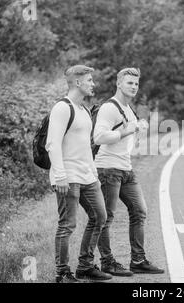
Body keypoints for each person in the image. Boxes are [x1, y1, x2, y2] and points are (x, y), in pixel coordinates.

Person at [93, 67, 164, 276]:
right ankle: (107, 262)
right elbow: (99, 137)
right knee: (106, 217)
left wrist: (139, 128)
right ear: (118, 84)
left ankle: (138, 260)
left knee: (139, 211)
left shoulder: (128, 109)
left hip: (126, 169)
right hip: (108, 169)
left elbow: (127, 137)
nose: (133, 87)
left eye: (136, 83)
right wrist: (129, 130)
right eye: (129, 83)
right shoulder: (109, 108)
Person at [46, 65, 112, 283]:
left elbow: (85, 146)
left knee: (100, 217)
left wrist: (93, 173)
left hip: (87, 176)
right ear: (77, 82)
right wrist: (60, 175)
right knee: (67, 225)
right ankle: (62, 272)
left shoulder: (84, 110)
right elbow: (52, 144)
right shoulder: (62, 108)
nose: (93, 84)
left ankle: (84, 266)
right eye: (90, 80)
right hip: (68, 177)